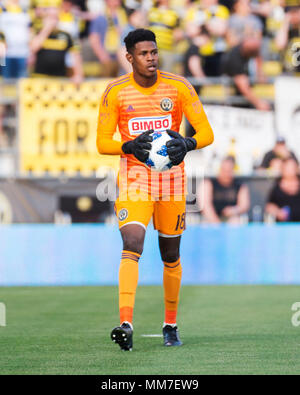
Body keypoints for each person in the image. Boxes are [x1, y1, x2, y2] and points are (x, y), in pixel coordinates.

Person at [96, 28, 214, 351]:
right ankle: (126, 323)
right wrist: (128, 146)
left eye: (154, 52)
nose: (152, 58)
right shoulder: (115, 92)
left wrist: (188, 143)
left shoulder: (177, 87)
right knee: (131, 243)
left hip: (172, 182)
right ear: (129, 57)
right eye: (144, 54)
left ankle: (171, 325)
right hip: (134, 182)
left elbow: (207, 132)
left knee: (170, 255)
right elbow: (102, 142)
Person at [201, 156, 250, 224]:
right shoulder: (209, 183)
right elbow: (205, 206)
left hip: (231, 219)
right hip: (211, 219)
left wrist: (234, 210)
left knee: (235, 221)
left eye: (229, 170)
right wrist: (216, 223)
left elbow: (244, 205)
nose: (226, 174)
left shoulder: (240, 185)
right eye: (224, 170)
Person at [265, 157, 300, 222]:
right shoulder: (276, 186)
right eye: (287, 167)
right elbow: (269, 205)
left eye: (292, 167)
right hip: (282, 225)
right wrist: (278, 212)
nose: (290, 170)